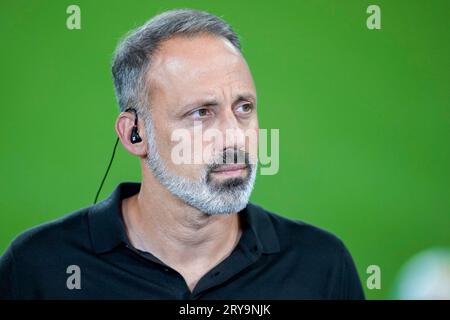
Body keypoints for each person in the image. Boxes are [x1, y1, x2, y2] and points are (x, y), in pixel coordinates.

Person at [0, 8, 364, 299]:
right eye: (201, 113)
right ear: (134, 134)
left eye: (243, 108)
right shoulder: (38, 268)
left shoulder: (321, 265)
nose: (233, 137)